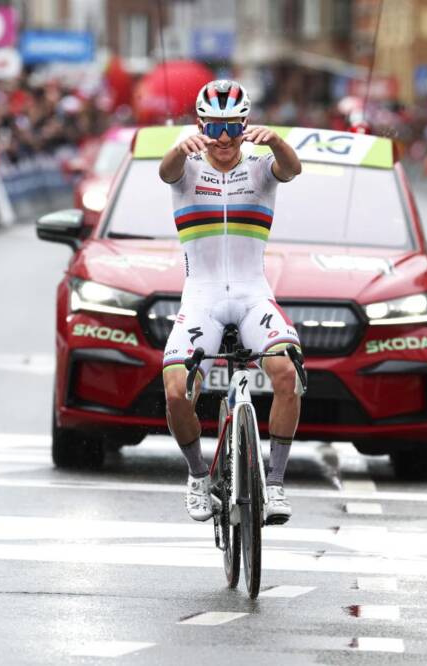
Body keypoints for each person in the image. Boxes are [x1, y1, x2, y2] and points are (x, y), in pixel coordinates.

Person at [158, 80, 302, 524]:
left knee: (288, 375)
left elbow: (292, 169)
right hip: (201, 297)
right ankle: (198, 475)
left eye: (234, 127)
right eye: (214, 126)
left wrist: (277, 141)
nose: (223, 137)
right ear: (201, 125)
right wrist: (179, 149)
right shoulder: (187, 168)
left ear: (246, 125)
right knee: (176, 391)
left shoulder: (260, 168)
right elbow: (165, 173)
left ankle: (274, 483)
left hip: (252, 293)